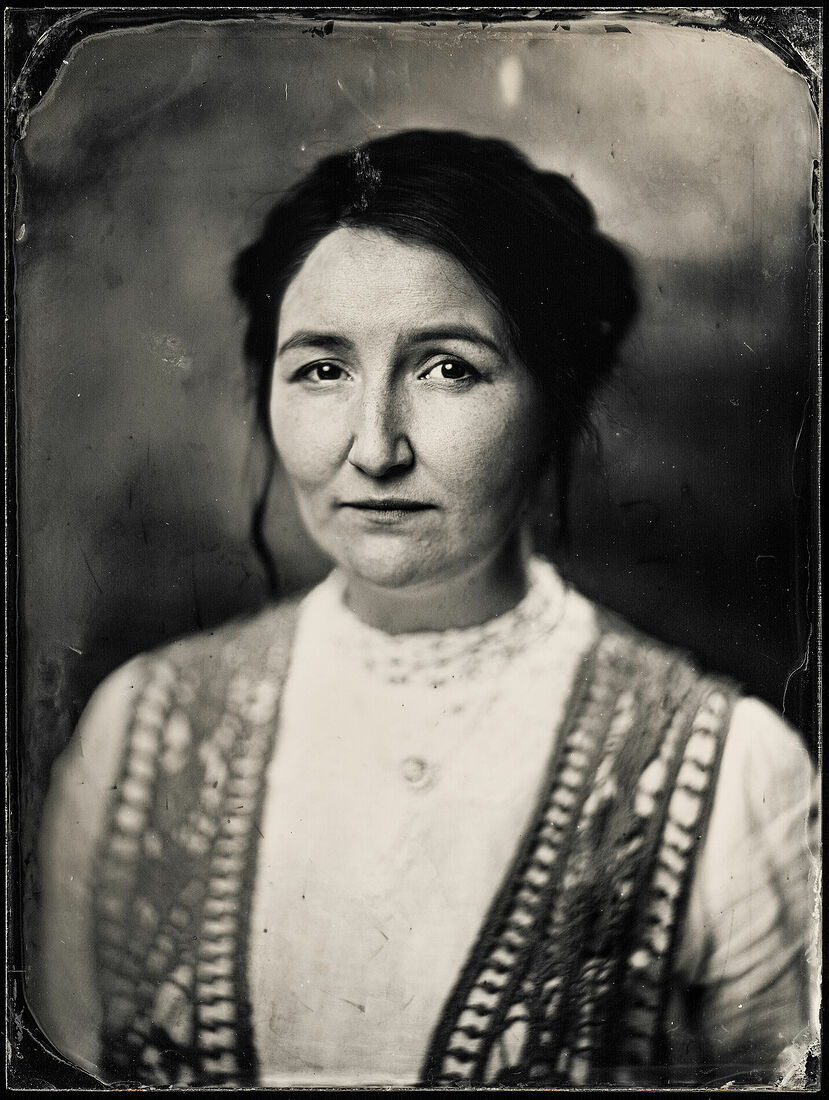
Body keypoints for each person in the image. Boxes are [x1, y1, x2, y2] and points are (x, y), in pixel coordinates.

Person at [28, 130, 817, 1088]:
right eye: (322, 369)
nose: (375, 449)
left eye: (448, 368)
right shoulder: (136, 738)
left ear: (556, 401)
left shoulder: (730, 775)